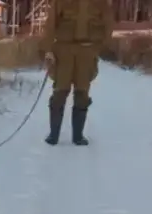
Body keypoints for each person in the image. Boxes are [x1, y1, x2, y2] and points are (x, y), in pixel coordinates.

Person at [40, 0, 114, 146]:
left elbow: (108, 23)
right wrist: (47, 49)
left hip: (87, 51)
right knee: (60, 91)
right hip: (63, 50)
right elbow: (51, 22)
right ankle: (53, 135)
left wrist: (100, 47)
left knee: (82, 92)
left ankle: (78, 136)